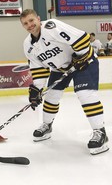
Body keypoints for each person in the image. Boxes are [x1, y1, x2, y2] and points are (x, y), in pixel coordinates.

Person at [20, 9, 108, 155]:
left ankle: (100, 132)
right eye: (25, 23)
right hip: (60, 68)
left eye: (31, 20)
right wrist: (37, 89)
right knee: (51, 96)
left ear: (38, 19)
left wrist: (81, 56)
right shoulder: (28, 45)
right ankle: (47, 126)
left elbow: (81, 37)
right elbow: (39, 68)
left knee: (85, 94)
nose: (29, 25)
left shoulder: (51, 27)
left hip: (84, 60)